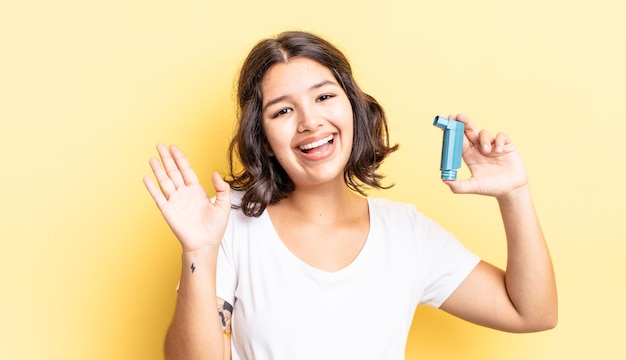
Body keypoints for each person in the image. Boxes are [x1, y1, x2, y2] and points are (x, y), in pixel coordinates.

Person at [143, 31, 557, 360]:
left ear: (353, 110)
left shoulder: (405, 233)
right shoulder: (229, 224)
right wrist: (198, 250)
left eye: (324, 97)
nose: (310, 121)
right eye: (283, 110)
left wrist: (514, 192)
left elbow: (532, 312)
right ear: (265, 140)